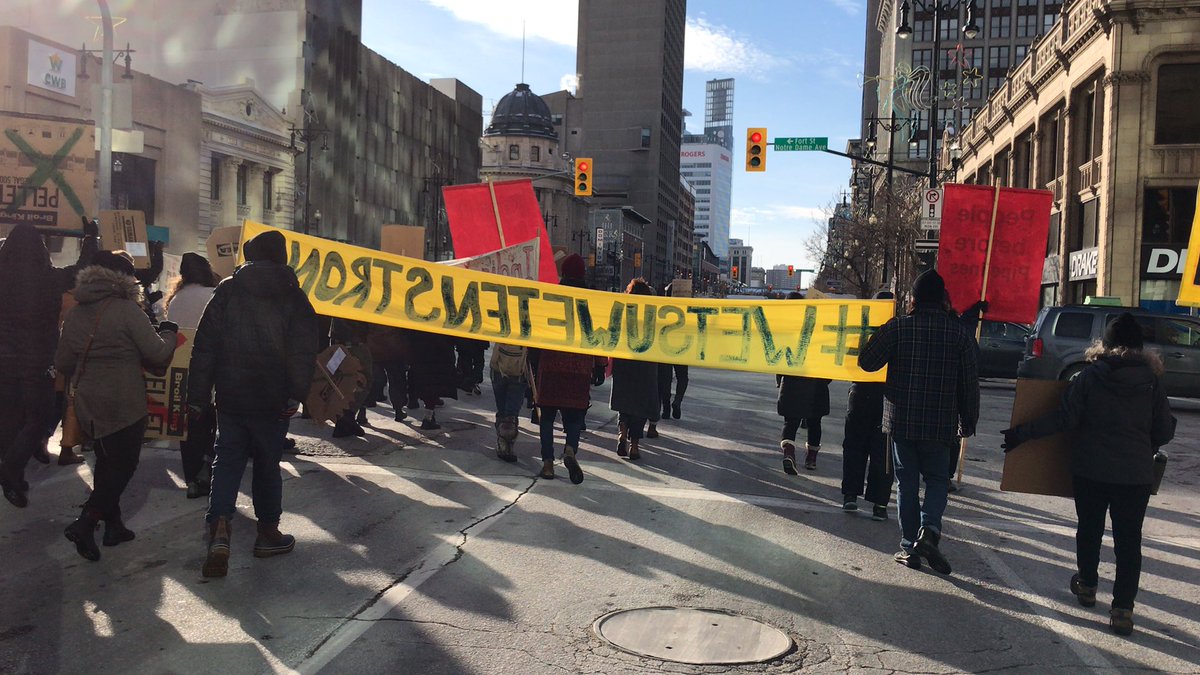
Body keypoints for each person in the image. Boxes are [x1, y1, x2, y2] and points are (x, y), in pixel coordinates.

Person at [1002, 313, 1175, 636]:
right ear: (1140, 348)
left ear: (1105, 345)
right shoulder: (1152, 382)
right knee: (1128, 542)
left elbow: (1064, 419)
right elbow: (1164, 431)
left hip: (1091, 469)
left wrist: (1021, 434)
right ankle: (1122, 608)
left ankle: (1087, 585)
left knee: (1090, 529)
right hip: (1135, 475)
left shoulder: (1090, 377)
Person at [188, 230, 319, 578]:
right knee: (266, 463)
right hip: (273, 398)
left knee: (227, 461)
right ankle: (267, 533)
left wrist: (198, 397)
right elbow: (304, 350)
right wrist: (297, 394)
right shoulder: (293, 295)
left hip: (230, 395)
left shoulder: (228, 290)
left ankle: (219, 530)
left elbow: (205, 346)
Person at [56, 251, 179, 560]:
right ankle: (86, 522)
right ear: (124, 279)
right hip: (124, 401)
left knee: (105, 460)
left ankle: (114, 526)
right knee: (123, 465)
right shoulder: (127, 310)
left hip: (88, 402)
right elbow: (158, 354)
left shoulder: (76, 312)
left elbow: (63, 362)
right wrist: (168, 332)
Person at [859, 270, 979, 576]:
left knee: (907, 484)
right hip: (940, 423)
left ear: (913, 299)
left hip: (902, 421)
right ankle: (930, 531)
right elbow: (969, 383)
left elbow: (867, 362)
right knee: (938, 481)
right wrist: (968, 421)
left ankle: (910, 544)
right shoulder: (959, 334)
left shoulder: (899, 328)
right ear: (943, 300)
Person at [1, 222, 98, 508]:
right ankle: (10, 469)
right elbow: (83, 269)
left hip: (3, 360)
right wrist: (90, 237)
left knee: (9, 419)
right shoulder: (48, 278)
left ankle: (15, 478)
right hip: (38, 358)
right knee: (40, 418)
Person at [532, 254, 605, 482]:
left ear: (562, 272)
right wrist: (600, 365)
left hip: (551, 365)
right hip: (579, 368)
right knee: (574, 418)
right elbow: (596, 336)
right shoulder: (591, 300)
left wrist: (534, 362)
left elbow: (539, 331)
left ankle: (547, 463)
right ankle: (571, 449)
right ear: (583, 274)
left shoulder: (551, 297)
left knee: (546, 417)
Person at [165, 252, 219, 499]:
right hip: (212, 371)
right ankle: (207, 473)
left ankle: (191, 478)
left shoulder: (176, 300)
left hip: (182, 370)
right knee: (212, 425)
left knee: (190, 429)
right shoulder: (213, 296)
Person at [841, 290, 895, 520]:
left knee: (854, 446)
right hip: (888, 396)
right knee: (883, 452)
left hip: (861, 392)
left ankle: (851, 496)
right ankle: (880, 503)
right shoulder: (898, 330)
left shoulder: (860, 328)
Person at [776, 292, 830, 473]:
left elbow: (777, 359)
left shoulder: (784, 330)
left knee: (790, 423)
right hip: (817, 384)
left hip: (791, 383)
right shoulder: (819, 329)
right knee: (815, 423)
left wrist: (780, 381)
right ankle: (811, 459)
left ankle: (788, 453)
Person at [610, 279, 660, 462]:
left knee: (625, 401)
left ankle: (622, 433)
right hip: (646, 365)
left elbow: (613, 332)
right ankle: (634, 446)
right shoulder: (652, 315)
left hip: (625, 362)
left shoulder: (622, 311)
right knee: (640, 406)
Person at [490, 342, 528, 463]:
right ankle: (507, 443)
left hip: (499, 365)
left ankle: (503, 442)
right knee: (511, 413)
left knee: (503, 411)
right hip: (518, 369)